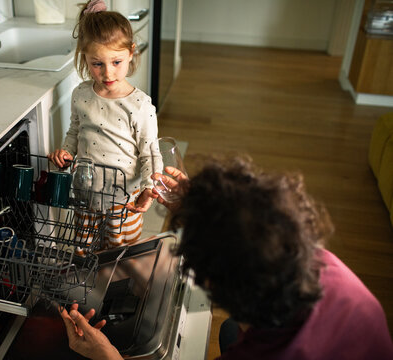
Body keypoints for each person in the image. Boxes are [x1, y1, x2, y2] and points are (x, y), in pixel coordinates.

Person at [60, 155, 393, 359]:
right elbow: (250, 226)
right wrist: (204, 205)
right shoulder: (322, 263)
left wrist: (107, 357)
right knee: (231, 331)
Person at [48, 0, 158, 251]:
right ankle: (90, 288)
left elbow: (150, 151)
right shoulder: (81, 94)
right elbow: (75, 132)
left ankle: (116, 288)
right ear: (84, 58)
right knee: (86, 250)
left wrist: (150, 188)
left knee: (120, 253)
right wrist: (66, 152)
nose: (107, 73)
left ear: (131, 52)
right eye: (97, 64)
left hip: (124, 199)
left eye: (116, 62)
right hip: (86, 193)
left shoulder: (139, 105)